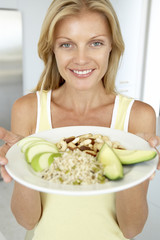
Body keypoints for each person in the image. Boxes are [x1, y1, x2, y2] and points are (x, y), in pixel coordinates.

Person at [0, 0, 160, 239]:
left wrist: (134, 161)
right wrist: (21, 161)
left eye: (96, 43)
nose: (81, 59)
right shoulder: (27, 109)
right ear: (52, 49)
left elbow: (131, 229)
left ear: (112, 47)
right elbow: (27, 220)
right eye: (67, 44)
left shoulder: (139, 116)